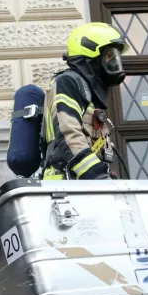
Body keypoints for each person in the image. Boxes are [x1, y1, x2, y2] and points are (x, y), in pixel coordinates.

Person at [40, 21, 128, 181]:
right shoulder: (67, 83)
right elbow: (68, 133)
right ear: (91, 54)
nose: (114, 62)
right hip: (64, 186)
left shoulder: (91, 96)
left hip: (84, 187)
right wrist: (95, 173)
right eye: (109, 55)